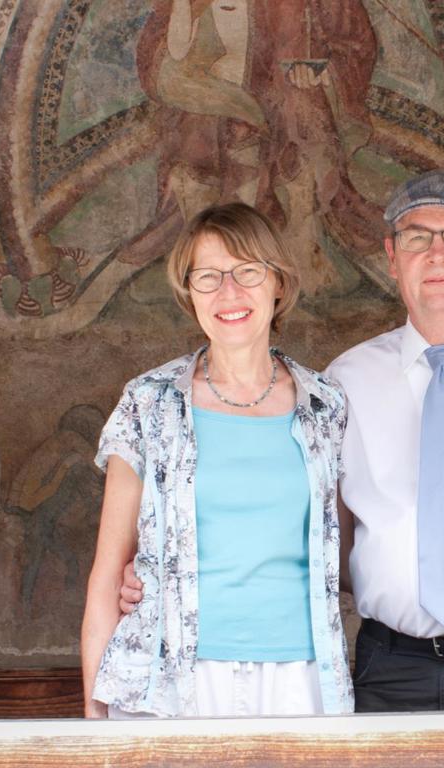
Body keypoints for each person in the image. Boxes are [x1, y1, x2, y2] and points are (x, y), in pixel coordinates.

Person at [122, 171, 444, 712]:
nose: (438, 253)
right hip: (394, 669)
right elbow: (304, 530)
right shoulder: (341, 384)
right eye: (418, 237)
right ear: (392, 258)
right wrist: (157, 571)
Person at [81, 202, 352, 719]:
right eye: (208, 277)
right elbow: (105, 575)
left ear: (278, 282)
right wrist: (94, 726)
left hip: (300, 678)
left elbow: (345, 547)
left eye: (247, 271)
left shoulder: (325, 405)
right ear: (189, 292)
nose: (229, 293)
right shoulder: (149, 402)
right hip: (171, 678)